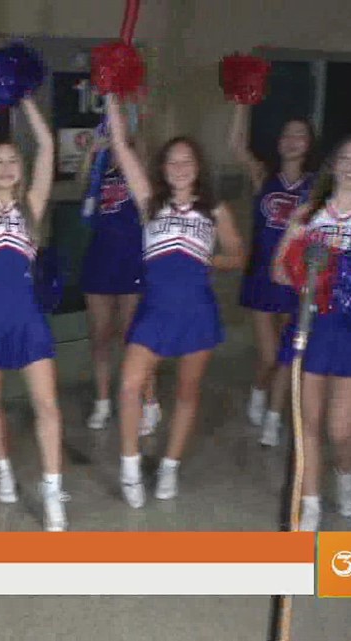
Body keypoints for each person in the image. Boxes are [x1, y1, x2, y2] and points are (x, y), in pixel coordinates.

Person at [105, 94, 246, 507]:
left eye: (187, 161)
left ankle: (169, 466)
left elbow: (239, 255)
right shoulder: (150, 201)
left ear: (198, 167)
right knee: (130, 385)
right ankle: (130, 465)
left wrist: (212, 259)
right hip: (154, 309)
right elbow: (120, 145)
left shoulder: (214, 210)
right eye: (172, 162)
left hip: (196, 310)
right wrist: (112, 93)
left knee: (187, 393)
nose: (180, 168)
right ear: (163, 170)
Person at [271, 135, 351, 531]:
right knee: (307, 422)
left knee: (342, 430)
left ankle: (346, 472)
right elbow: (278, 272)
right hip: (314, 327)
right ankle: (309, 501)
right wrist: (295, 251)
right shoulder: (309, 213)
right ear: (334, 162)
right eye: (347, 157)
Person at [0, 82, 67, 530]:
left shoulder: (33, 206)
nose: (5, 167)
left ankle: (52, 487)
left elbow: (46, 146)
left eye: (11, 160)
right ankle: (3, 468)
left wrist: (22, 97)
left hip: (26, 318)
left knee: (47, 404)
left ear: (21, 170)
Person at [229, 103, 316, 447]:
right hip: (263, 274)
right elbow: (236, 145)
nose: (293, 141)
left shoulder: (317, 184)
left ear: (309, 143)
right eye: (288, 134)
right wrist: (242, 99)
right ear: (279, 142)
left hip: (298, 279)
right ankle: (259, 389)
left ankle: (274, 416)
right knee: (269, 356)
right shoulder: (263, 176)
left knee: (288, 353)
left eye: (301, 135)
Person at [77, 119, 161, 435]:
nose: (113, 141)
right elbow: (82, 189)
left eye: (118, 136)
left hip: (133, 262)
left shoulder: (139, 174)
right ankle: (102, 401)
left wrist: (133, 140)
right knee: (100, 336)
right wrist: (92, 154)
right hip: (100, 261)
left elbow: (149, 169)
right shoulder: (101, 174)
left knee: (133, 336)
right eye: (109, 136)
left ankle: (148, 400)